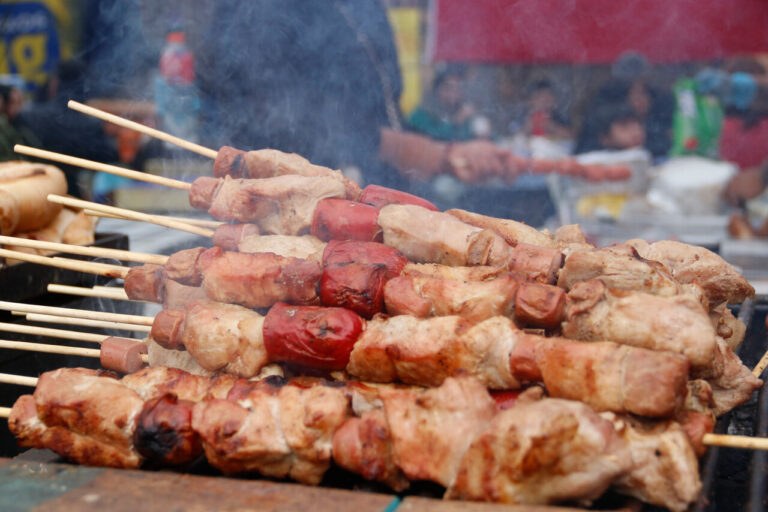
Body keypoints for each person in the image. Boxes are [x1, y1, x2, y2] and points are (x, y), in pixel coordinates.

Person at [196, 0, 516, 197]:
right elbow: (280, 115)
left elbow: (384, 115)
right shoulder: (260, 9)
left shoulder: (365, 7)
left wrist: (453, 153)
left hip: (374, 205)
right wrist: (423, 152)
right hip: (286, 210)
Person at [18, 60, 119, 197]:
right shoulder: (91, 124)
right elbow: (109, 155)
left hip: (35, 191)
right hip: (73, 194)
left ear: (55, 83)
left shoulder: (30, 117)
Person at [407, 65, 475, 142]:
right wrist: (456, 123)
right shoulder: (422, 115)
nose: (453, 94)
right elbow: (433, 139)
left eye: (458, 88)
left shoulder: (463, 113)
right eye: (448, 88)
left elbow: (467, 140)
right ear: (437, 89)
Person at [0, 85, 39, 161]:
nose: (18, 107)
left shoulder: (20, 124)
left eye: (20, 102)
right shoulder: (5, 126)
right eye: (13, 102)